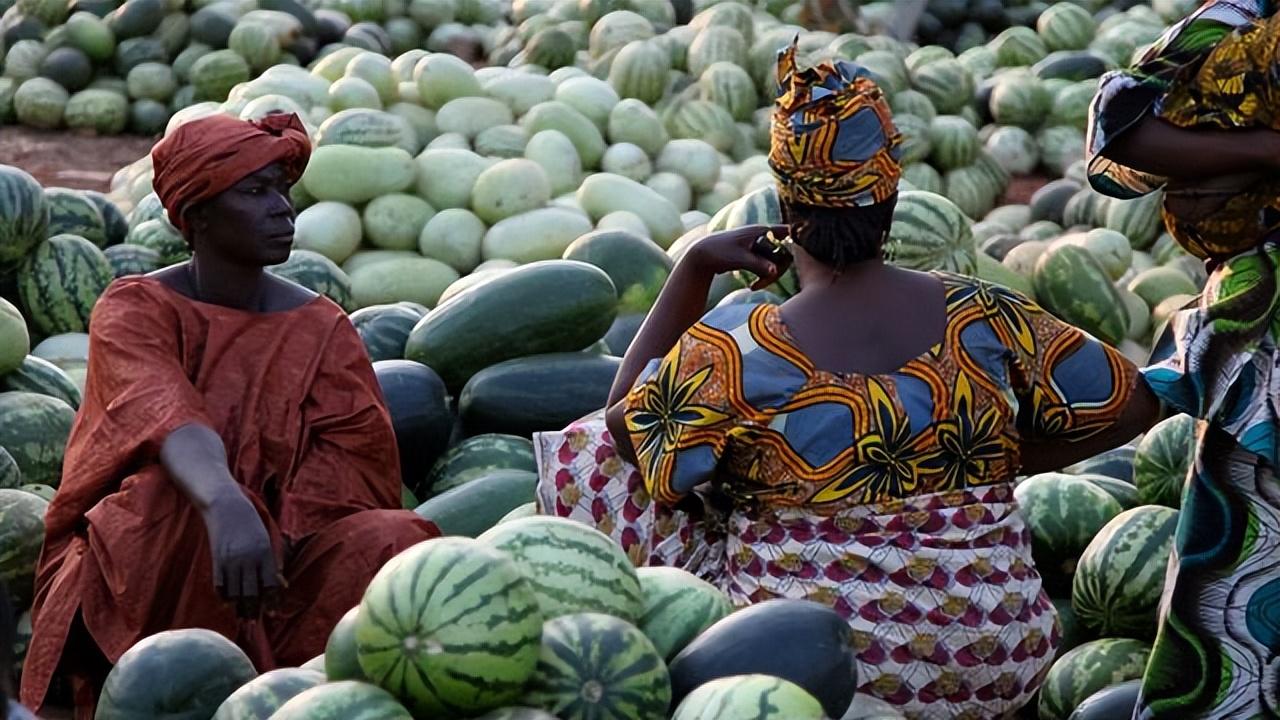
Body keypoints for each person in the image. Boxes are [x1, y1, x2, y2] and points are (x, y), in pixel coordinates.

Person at [536, 42, 1160, 720]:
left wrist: (691, 271)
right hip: (997, 656)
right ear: (891, 198)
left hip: (824, 670)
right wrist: (1001, 459)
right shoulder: (983, 312)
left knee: (590, 452)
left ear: (785, 203)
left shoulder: (739, 347)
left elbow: (624, 433)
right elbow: (1131, 405)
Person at [19, 113, 439, 718]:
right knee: (169, 498)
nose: (282, 209)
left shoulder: (323, 327)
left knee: (394, 538)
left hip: (278, 571)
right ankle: (162, 692)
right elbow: (159, 409)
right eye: (255, 191)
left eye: (284, 190)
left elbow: (355, 472)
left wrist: (272, 530)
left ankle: (309, 697)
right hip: (152, 567)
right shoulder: (135, 307)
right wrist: (223, 501)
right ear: (198, 216)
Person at [1087, 1, 1280, 717]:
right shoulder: (1246, 20)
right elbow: (1119, 126)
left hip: (1262, 341)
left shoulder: (1240, 25)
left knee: (1241, 593)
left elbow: (1119, 124)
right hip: (1262, 342)